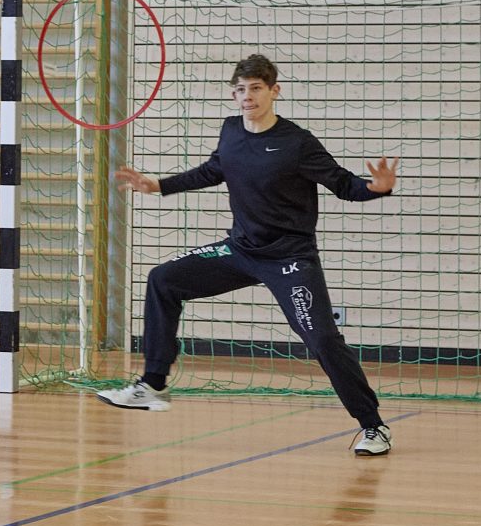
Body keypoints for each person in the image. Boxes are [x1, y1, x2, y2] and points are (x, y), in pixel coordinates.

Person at [100, 53, 400, 456]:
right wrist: (156, 185)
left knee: (323, 340)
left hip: (290, 259)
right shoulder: (230, 131)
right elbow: (213, 170)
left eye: (256, 88)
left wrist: (376, 188)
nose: (247, 96)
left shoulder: (297, 143)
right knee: (163, 278)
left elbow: (344, 185)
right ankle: (153, 384)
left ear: (274, 91)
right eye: (240, 89)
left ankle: (373, 426)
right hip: (239, 250)